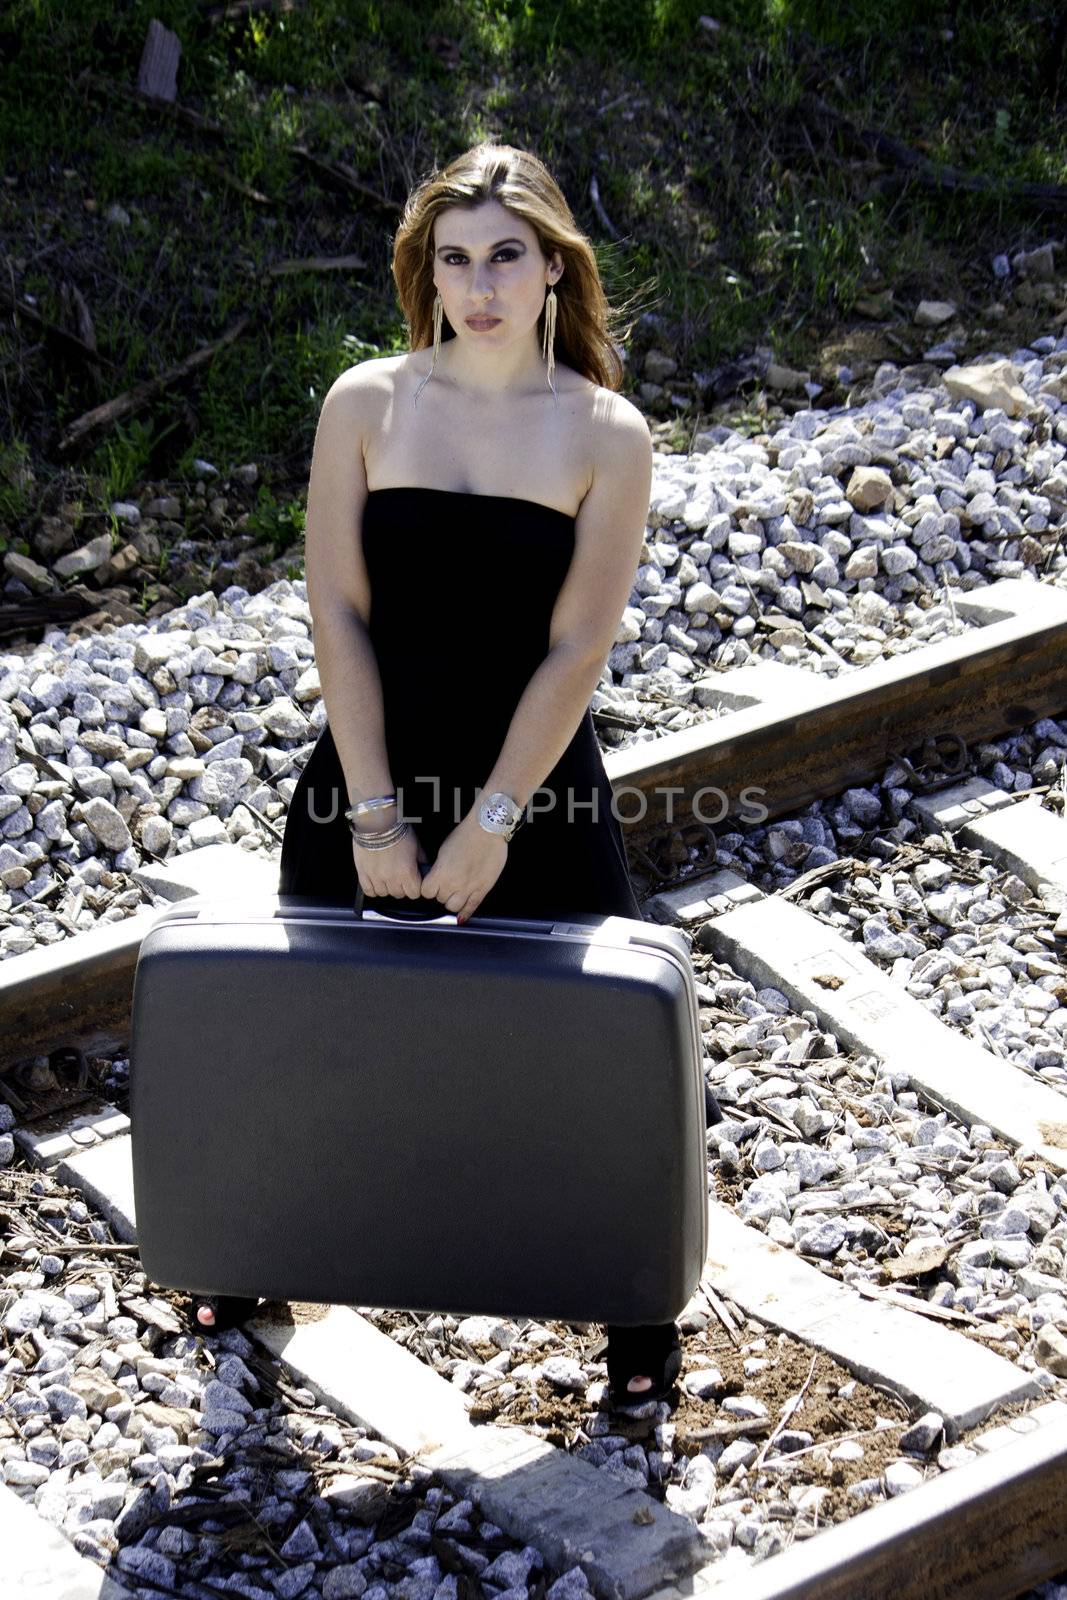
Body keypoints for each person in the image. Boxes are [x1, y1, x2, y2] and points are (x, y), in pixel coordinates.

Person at [188, 141, 713, 1407]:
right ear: (423, 272)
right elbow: (336, 610)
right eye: (454, 259)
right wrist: (372, 815)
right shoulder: (364, 402)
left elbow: (577, 645)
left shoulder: (605, 431)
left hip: (534, 782)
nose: (479, 286)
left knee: (591, 1054)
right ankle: (254, 1260)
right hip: (364, 769)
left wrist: (489, 824)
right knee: (315, 1024)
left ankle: (633, 1323)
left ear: (551, 272)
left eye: (506, 257)